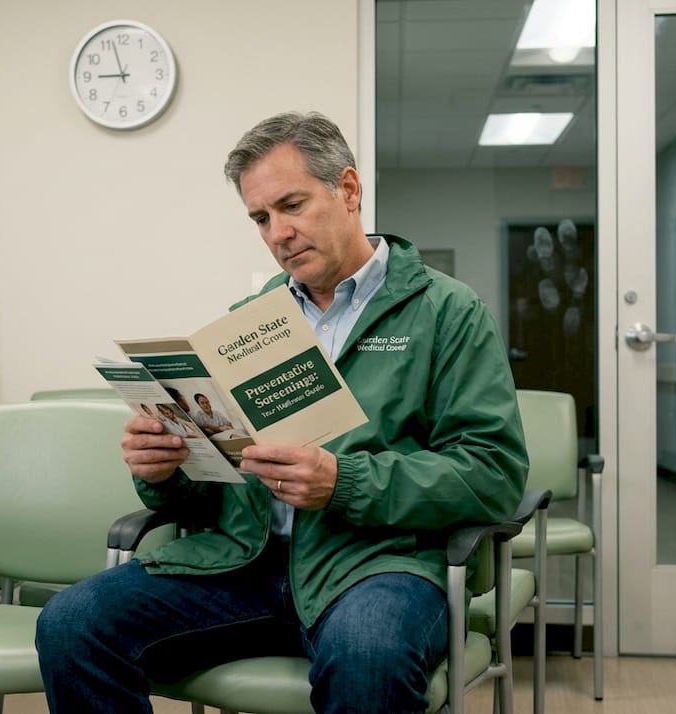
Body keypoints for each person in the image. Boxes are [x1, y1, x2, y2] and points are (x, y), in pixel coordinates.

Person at [36, 111, 528, 713]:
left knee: (368, 655)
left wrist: (343, 483)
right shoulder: (254, 318)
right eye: (261, 218)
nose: (278, 233)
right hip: (243, 561)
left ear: (348, 190)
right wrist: (164, 472)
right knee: (71, 623)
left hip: (372, 566)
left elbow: (494, 475)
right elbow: (219, 482)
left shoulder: (448, 311)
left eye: (291, 206)